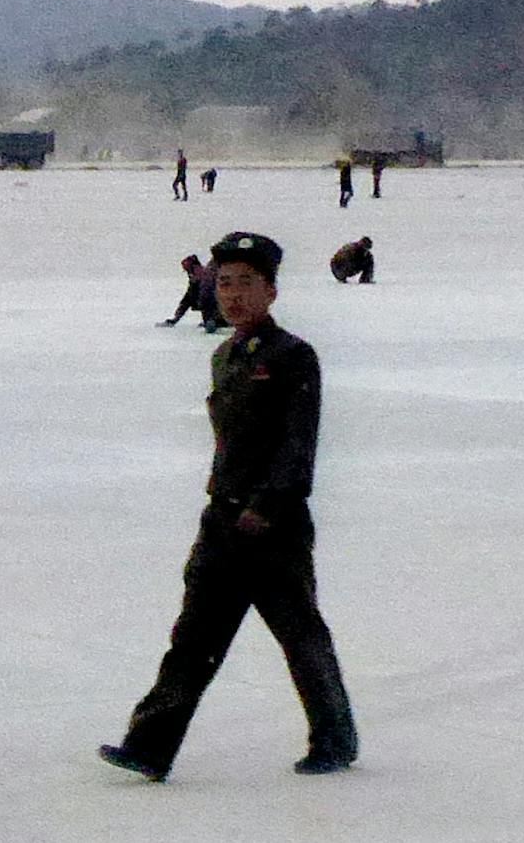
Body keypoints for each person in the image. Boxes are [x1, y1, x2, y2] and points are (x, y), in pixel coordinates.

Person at [100, 232, 357, 782]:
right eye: (224, 284)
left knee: (299, 635)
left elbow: (297, 443)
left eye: (246, 284)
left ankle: (335, 737)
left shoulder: (293, 356)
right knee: (193, 639)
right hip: (222, 520)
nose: (232, 295)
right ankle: (149, 745)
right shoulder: (226, 355)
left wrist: (267, 504)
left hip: (274, 525)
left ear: (271, 291)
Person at [159, 254, 205, 327]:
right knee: (186, 302)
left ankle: (212, 321)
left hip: (204, 294)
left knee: (205, 303)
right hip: (196, 292)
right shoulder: (194, 275)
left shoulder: (200, 274)